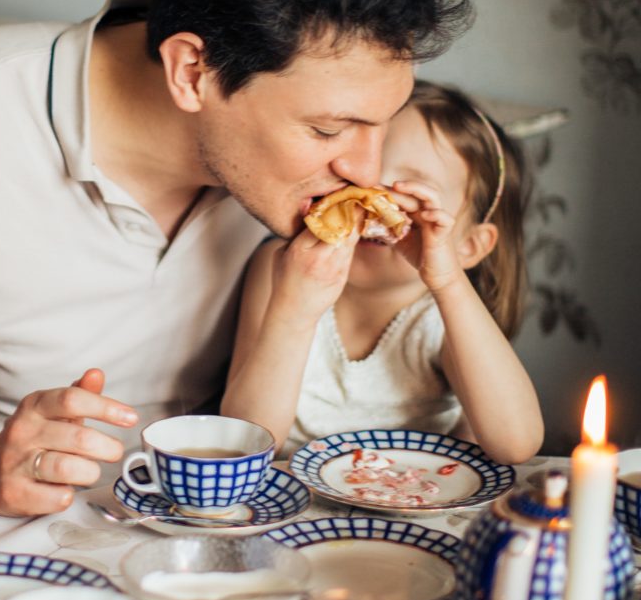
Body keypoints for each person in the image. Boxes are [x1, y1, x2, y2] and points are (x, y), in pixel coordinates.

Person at [0, 0, 475, 518]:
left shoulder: (296, 180)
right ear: (193, 70)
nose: (367, 168)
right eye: (329, 128)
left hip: (216, 533)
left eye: (382, 123)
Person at [221, 81, 544, 464]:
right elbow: (244, 443)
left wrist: (448, 281)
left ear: (468, 246)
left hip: (414, 503)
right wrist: (293, 312)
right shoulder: (284, 268)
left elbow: (517, 444)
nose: (373, 204)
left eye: (409, 194)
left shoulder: (443, 316)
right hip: (297, 504)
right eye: (362, 182)